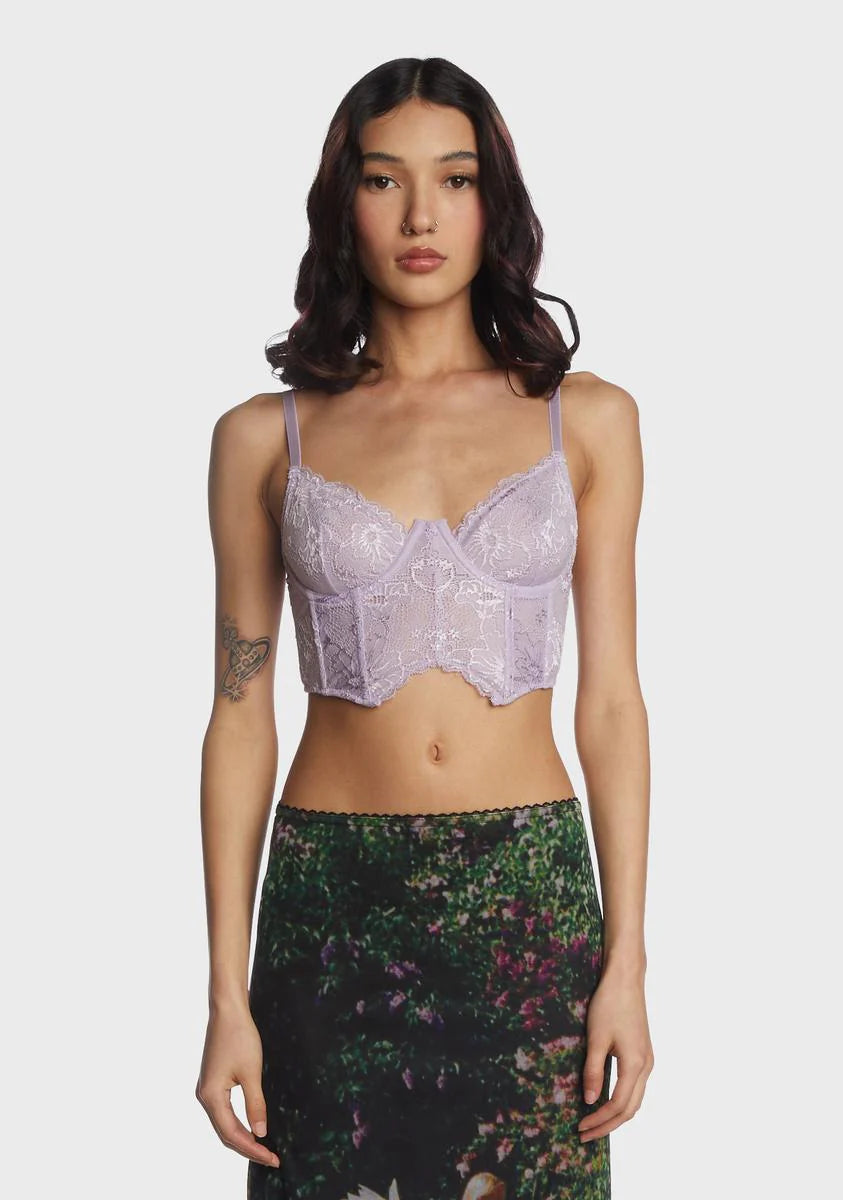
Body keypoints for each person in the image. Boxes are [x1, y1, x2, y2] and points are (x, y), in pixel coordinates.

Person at [195, 56, 652, 1200]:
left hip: (527, 899)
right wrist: (225, 995)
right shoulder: (262, 439)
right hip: (331, 901)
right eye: (383, 179)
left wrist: (629, 959)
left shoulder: (589, 421)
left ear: (493, 203)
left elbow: (611, 703)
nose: (419, 217)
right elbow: (240, 714)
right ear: (342, 203)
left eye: (454, 179)